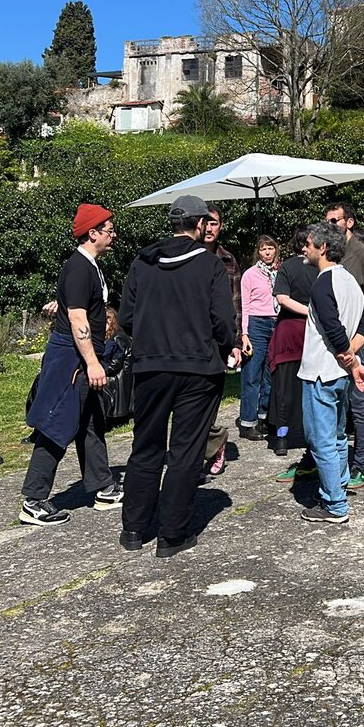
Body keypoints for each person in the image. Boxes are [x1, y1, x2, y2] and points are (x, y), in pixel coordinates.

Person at [118, 194, 239, 558]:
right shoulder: (210, 265)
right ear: (200, 224)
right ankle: (172, 535)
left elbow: (126, 317)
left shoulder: (143, 261)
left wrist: (151, 339)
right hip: (198, 368)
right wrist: (226, 346)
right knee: (186, 449)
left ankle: (133, 528)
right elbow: (223, 320)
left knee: (146, 444)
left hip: (151, 366)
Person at [20, 204, 123, 527]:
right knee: (57, 423)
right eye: (109, 230)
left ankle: (103, 487)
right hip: (72, 359)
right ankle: (33, 500)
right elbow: (78, 319)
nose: (113, 235)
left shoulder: (90, 266)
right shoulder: (79, 268)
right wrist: (92, 363)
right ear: (92, 233)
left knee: (90, 420)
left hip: (80, 356)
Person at [298, 221, 364, 526]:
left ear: (323, 247)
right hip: (339, 375)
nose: (304, 248)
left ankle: (334, 503)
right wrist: (352, 358)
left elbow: (333, 328)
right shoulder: (350, 281)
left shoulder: (322, 282)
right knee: (339, 436)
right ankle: (338, 487)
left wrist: (350, 361)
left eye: (308, 243)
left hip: (321, 372)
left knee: (322, 440)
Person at [324, 201, 364, 493]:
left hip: (355, 341)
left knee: (358, 403)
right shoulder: (332, 254)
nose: (330, 226)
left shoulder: (362, 255)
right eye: (327, 221)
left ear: (349, 222)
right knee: (332, 402)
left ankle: (361, 464)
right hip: (333, 341)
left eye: (334, 221)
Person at [268, 227, 318, 457]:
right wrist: (313, 313)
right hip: (313, 332)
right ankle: (313, 435)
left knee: (284, 386)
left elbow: (282, 298)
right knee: (314, 385)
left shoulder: (287, 266)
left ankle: (282, 438)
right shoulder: (321, 267)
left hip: (288, 332)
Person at [202, 204, 243, 475]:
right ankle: (208, 445)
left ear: (221, 226)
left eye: (214, 223)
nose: (209, 228)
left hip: (217, 340)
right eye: (205, 222)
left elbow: (236, 304)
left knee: (209, 402)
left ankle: (211, 444)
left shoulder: (228, 260)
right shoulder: (186, 255)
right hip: (189, 338)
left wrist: (236, 343)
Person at [238, 234, 280, 440]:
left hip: (277, 322)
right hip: (257, 323)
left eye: (270, 248)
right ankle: (248, 421)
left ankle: (264, 416)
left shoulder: (280, 272)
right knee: (252, 374)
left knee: (270, 374)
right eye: (263, 249)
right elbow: (244, 305)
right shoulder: (250, 274)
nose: (267, 252)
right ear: (258, 252)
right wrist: (244, 333)